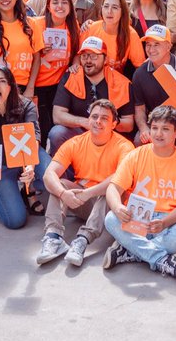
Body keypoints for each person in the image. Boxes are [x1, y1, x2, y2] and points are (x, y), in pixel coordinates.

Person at [102, 105, 176, 282]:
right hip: (137, 216)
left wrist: (163, 222)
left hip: (169, 221)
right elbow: (113, 188)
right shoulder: (135, 155)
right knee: (110, 219)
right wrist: (117, 207)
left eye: (165, 129)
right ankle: (161, 259)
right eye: (154, 128)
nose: (158, 134)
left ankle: (130, 250)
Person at [39, 99, 134, 267]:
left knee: (112, 191)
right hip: (81, 202)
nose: (98, 121)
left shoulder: (125, 146)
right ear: (88, 120)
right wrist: (63, 194)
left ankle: (82, 240)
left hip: (108, 207)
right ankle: (53, 237)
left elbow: (119, 178)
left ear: (113, 124)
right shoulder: (75, 143)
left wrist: (89, 192)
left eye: (104, 118)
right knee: (59, 183)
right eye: (94, 116)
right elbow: (49, 174)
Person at [0, 64, 50, 228]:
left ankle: (29, 190)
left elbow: (34, 138)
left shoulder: (26, 106)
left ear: (10, 85)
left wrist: (30, 168)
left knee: (51, 173)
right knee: (15, 220)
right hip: (0, 167)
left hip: (26, 155)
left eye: (2, 81)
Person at [50, 36, 133, 149]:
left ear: (105, 59)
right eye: (84, 56)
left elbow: (129, 124)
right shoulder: (70, 77)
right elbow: (57, 115)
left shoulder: (121, 83)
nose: (88, 61)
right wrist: (84, 122)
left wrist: (107, 124)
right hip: (79, 133)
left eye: (94, 56)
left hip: (109, 136)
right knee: (57, 133)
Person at [32, 0, 80, 140]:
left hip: (59, 85)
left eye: (64, 2)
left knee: (55, 127)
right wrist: (40, 51)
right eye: (55, 2)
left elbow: (77, 51)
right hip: (37, 85)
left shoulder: (73, 26)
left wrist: (75, 63)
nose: (60, 6)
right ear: (48, 6)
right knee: (41, 129)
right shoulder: (37, 24)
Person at [130, 24, 176, 137]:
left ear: (168, 46)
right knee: (138, 140)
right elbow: (139, 108)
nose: (151, 49)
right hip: (153, 127)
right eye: (148, 44)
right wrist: (144, 129)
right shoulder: (139, 74)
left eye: (156, 44)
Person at [81, 0, 144, 75]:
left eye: (115, 7)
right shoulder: (90, 28)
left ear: (123, 12)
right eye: (106, 6)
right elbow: (78, 57)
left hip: (115, 81)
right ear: (101, 9)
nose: (109, 11)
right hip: (90, 77)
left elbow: (140, 66)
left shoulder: (130, 34)